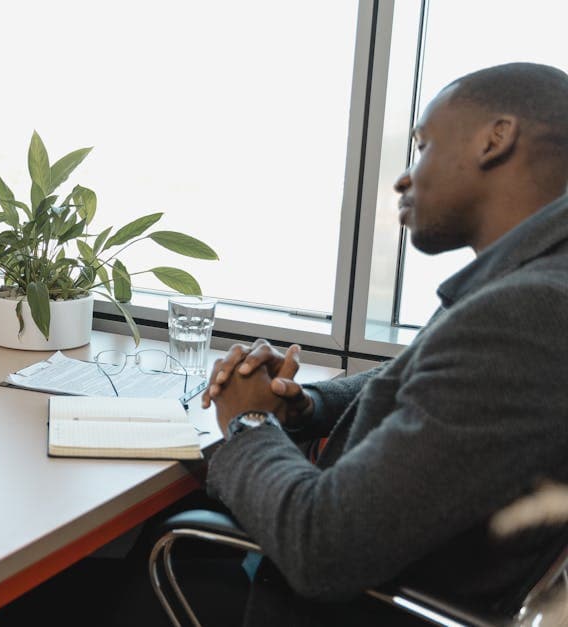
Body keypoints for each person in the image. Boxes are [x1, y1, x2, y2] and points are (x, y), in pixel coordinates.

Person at [195, 61, 568, 624]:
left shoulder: (528, 313)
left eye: (423, 146)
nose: (404, 178)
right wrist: (307, 405)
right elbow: (433, 377)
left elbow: (322, 548)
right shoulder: (535, 283)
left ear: (496, 139)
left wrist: (248, 425)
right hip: (403, 574)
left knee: (70, 587)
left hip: (340, 604)